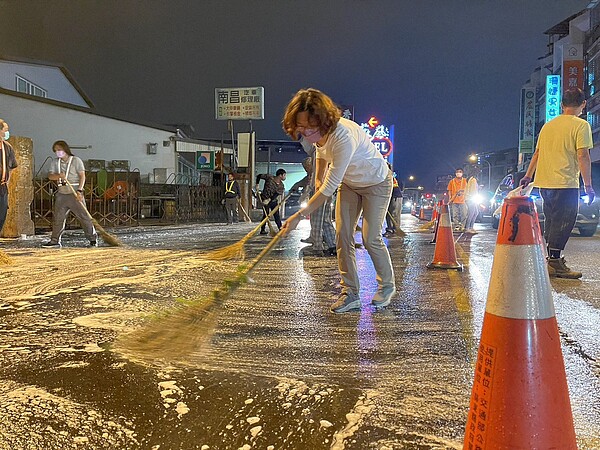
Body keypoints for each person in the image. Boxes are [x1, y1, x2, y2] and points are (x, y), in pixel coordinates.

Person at [281, 88, 395, 313]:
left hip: (376, 183)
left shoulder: (343, 136)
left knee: (370, 237)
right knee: (343, 237)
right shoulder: (317, 134)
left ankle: (387, 286)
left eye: (307, 127)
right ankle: (350, 293)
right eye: (300, 126)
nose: (303, 132)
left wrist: (297, 216)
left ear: (322, 120)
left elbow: (327, 190)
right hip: (350, 184)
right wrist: (318, 177)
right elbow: (322, 156)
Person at [520, 87, 595, 279]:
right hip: (565, 181)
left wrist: (528, 176)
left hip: (544, 182)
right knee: (565, 220)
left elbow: (537, 153)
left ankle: (552, 259)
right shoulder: (581, 125)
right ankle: (554, 262)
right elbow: (583, 155)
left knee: (552, 220)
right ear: (583, 104)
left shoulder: (548, 126)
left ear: (562, 105)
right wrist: (588, 185)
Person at [42, 140, 98, 248]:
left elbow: (82, 176)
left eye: (59, 150)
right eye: (56, 151)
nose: (57, 152)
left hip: (74, 193)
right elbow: (50, 176)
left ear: (65, 149)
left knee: (84, 217)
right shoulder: (55, 162)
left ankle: (92, 238)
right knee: (58, 218)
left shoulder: (76, 161)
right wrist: (59, 176)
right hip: (62, 194)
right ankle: (55, 240)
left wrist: (80, 191)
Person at [290, 152, 336, 257]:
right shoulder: (314, 170)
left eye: (307, 167)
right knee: (325, 220)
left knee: (316, 221)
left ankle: (317, 247)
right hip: (327, 193)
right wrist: (296, 185)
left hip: (320, 193)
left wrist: (304, 195)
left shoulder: (318, 162)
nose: (306, 169)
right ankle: (332, 245)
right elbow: (305, 181)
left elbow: (312, 184)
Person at [255, 168, 286, 235]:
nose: (285, 177)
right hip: (264, 198)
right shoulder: (269, 177)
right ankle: (262, 230)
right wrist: (257, 184)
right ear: (280, 175)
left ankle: (280, 228)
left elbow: (276, 194)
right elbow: (259, 176)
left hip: (273, 201)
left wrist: (269, 200)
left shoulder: (281, 186)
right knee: (266, 215)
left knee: (276, 215)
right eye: (284, 175)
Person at [0, 119, 18, 234]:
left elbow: (11, 166)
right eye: (5, 130)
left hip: (2, 186)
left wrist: (7, 181)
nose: (7, 132)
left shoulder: (7, 147)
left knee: (1, 215)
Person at [384, 168, 402, 237]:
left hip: (395, 196)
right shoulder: (385, 173)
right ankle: (391, 229)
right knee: (389, 214)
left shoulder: (388, 174)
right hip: (391, 195)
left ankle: (394, 230)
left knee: (394, 213)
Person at [464, 166, 480, 234]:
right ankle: (467, 228)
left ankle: (470, 227)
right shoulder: (473, 179)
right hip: (471, 198)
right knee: (472, 213)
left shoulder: (471, 179)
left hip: (470, 198)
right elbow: (473, 190)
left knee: (475, 212)